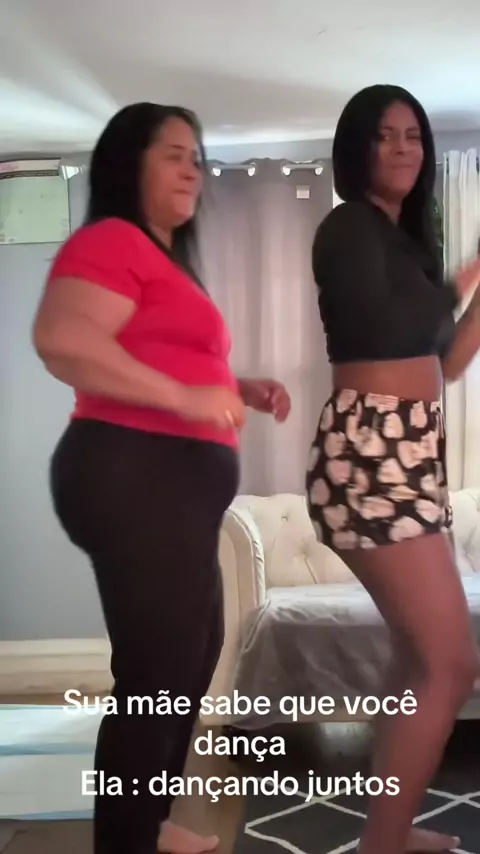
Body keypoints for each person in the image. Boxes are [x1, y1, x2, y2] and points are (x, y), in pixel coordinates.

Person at [33, 102, 291, 854]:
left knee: (191, 656)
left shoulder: (162, 261)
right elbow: (62, 338)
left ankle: (148, 823)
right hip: (131, 473)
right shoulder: (111, 239)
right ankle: (126, 838)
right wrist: (184, 397)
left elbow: (156, 351)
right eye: (172, 154)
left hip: (167, 485)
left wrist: (235, 386)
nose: (191, 170)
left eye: (196, 157)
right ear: (128, 164)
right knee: (155, 678)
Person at [305, 84, 480, 854]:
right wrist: (466, 276)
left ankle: (391, 829)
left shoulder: (404, 243)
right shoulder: (347, 228)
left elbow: (448, 359)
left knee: (420, 659)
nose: (404, 147)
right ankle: (382, 843)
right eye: (386, 135)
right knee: (451, 663)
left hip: (408, 451)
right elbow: (396, 323)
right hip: (370, 450)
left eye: (413, 135)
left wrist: (471, 288)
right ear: (359, 148)